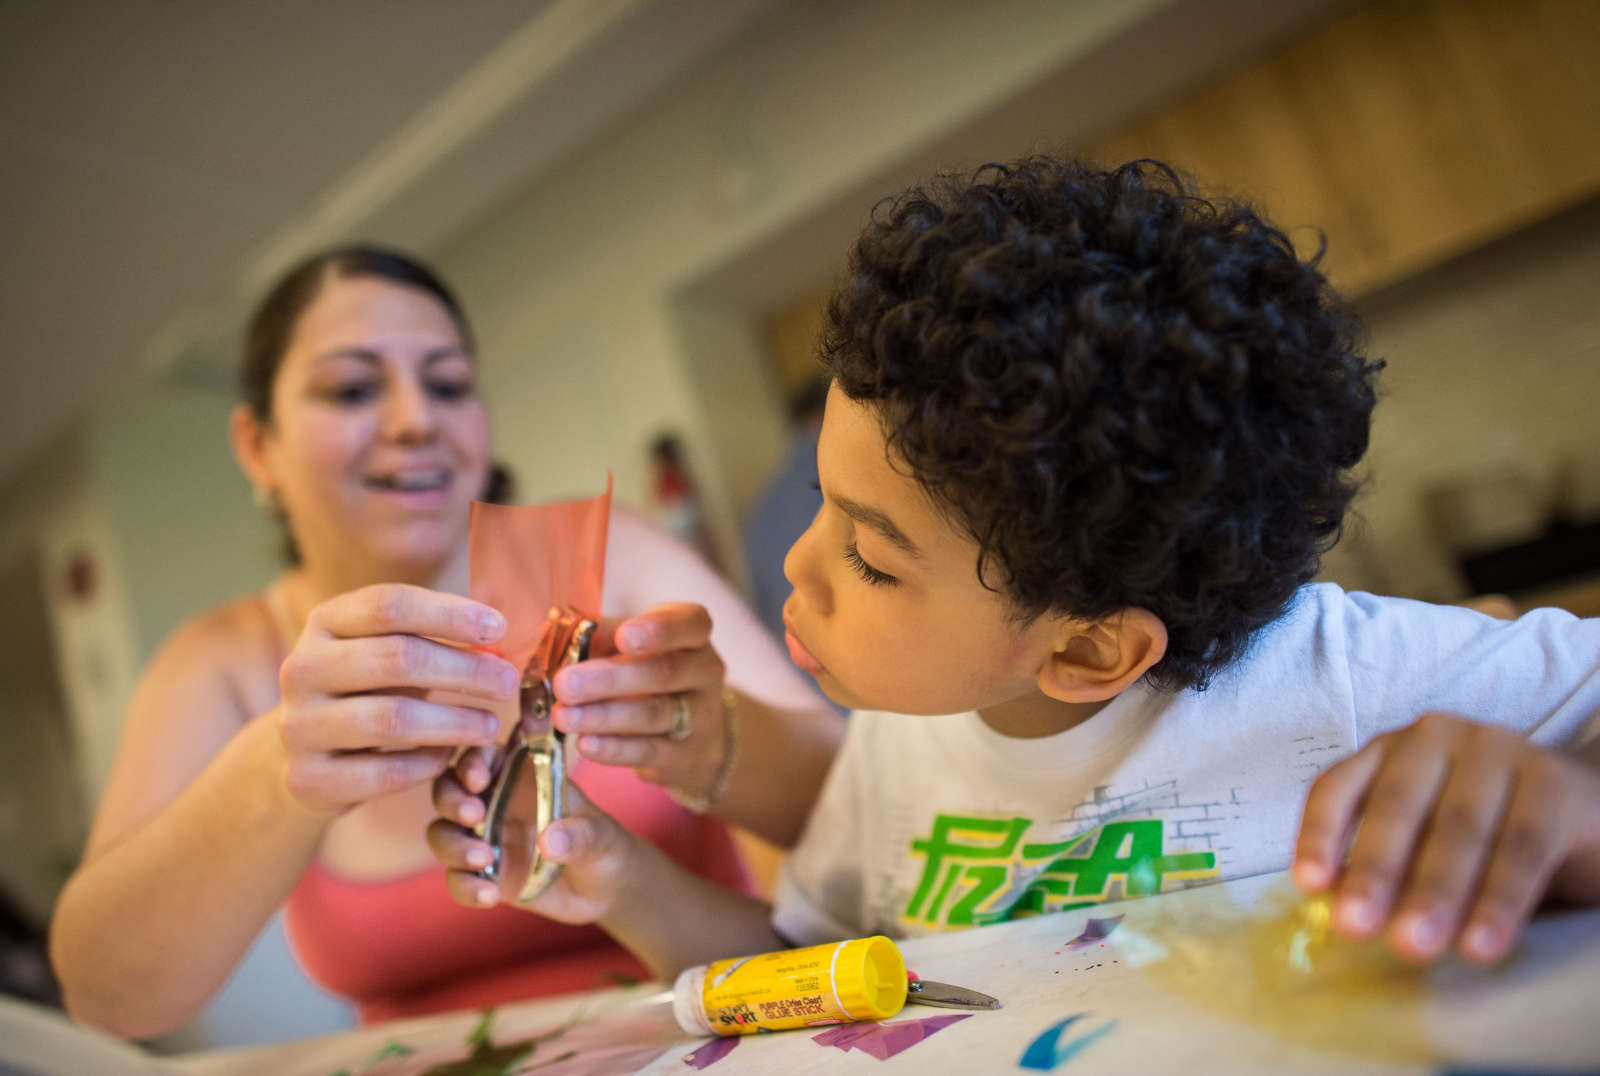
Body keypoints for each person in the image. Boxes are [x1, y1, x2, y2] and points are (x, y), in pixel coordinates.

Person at [428, 157, 1600, 979]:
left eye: (871, 559)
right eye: (821, 506)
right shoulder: (903, 731)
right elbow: (810, 981)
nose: (795, 565)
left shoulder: (1338, 674)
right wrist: (614, 872)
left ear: (1089, 647)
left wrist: (1574, 799)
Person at [48, 246, 843, 1037]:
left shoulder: (615, 560)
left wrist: (715, 743)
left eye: (449, 384)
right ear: (258, 447)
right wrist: (275, 773)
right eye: (353, 388)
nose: (416, 420)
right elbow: (105, 998)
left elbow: (857, 813)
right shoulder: (224, 660)